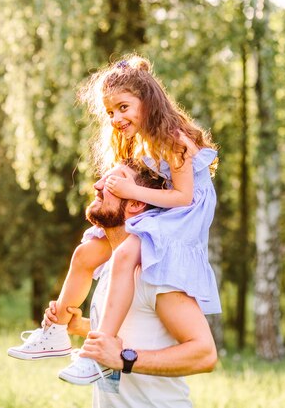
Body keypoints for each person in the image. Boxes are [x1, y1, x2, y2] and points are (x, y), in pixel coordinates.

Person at [8, 54, 221, 385]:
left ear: (147, 102)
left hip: (182, 214)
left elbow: (183, 198)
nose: (116, 117)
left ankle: (100, 349)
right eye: (109, 112)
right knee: (86, 253)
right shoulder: (135, 140)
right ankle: (56, 329)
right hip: (159, 205)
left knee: (125, 255)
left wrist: (128, 188)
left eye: (124, 107)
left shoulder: (174, 139)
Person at [46, 160, 217, 406]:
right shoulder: (112, 269)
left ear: (136, 202)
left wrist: (125, 359)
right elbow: (141, 329)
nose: (97, 185)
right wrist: (82, 326)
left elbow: (205, 354)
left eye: (114, 181)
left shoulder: (155, 272)